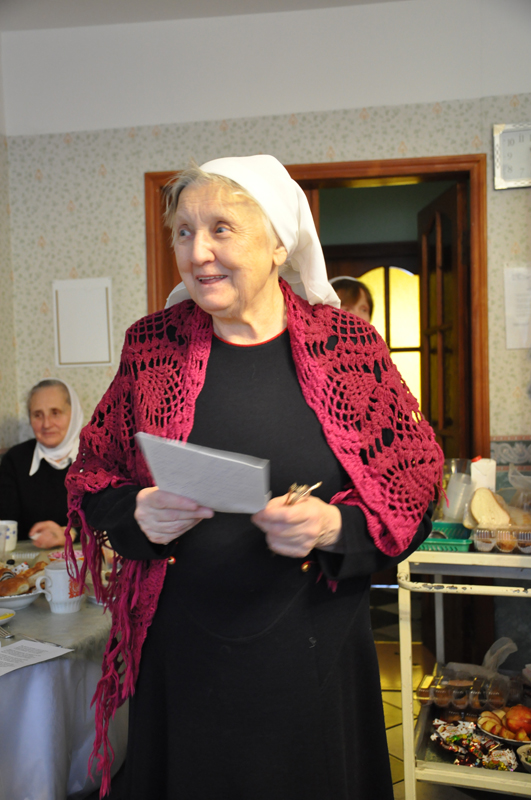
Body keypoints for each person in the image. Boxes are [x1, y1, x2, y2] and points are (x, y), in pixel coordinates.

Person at [66, 155, 443, 800]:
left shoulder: (349, 347)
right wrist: (137, 513)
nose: (197, 252)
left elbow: (412, 495)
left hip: (315, 652)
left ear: (278, 245)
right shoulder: (151, 348)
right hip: (184, 657)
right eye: (184, 232)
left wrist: (335, 525)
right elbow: (94, 473)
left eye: (221, 229)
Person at [0, 378, 83, 548]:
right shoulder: (15, 460)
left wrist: (70, 534)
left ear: (73, 414)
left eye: (55, 412)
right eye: (37, 415)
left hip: (85, 559)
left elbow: (108, 522)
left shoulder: (95, 459)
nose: (46, 424)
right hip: (29, 559)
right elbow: (6, 522)